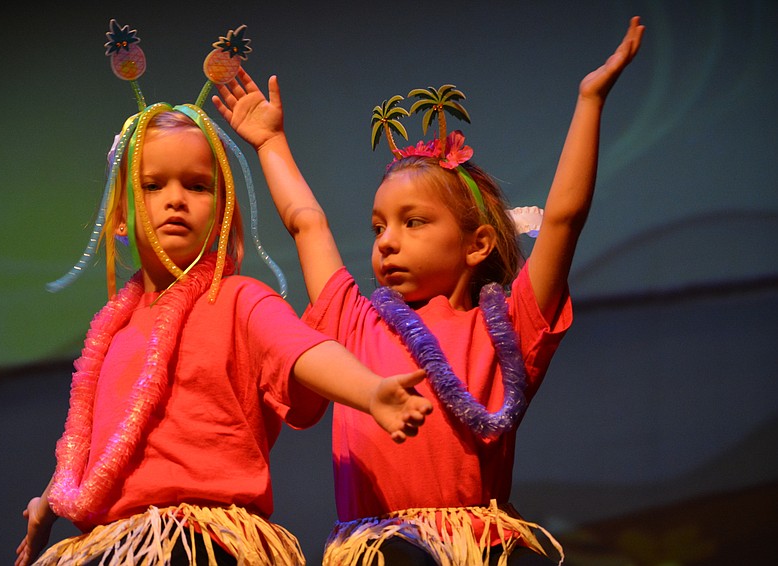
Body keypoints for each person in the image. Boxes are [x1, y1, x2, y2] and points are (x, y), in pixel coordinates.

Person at [212, 16, 644, 566]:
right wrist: (271, 142)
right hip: (378, 552)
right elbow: (307, 223)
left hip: (475, 550)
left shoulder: (507, 328)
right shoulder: (351, 320)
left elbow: (561, 221)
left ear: (477, 244)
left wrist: (590, 101)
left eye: (413, 222)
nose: (387, 242)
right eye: (378, 227)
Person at [15, 26, 434, 566]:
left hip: (203, 542)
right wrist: (49, 502)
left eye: (196, 185)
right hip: (116, 542)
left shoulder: (239, 300)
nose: (175, 201)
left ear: (225, 209)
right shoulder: (112, 329)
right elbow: (95, 441)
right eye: (153, 185)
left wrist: (371, 391)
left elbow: (305, 353)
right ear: (120, 214)